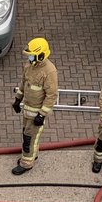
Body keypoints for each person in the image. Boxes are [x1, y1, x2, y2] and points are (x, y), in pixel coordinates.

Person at [11, 36, 59, 175]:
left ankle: (26, 164)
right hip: (27, 109)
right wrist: (17, 99)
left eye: (32, 55)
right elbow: (24, 84)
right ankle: (32, 155)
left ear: (41, 55)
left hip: (37, 112)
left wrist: (42, 114)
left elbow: (51, 95)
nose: (30, 58)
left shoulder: (49, 71)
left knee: (29, 138)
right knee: (27, 134)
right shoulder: (29, 66)